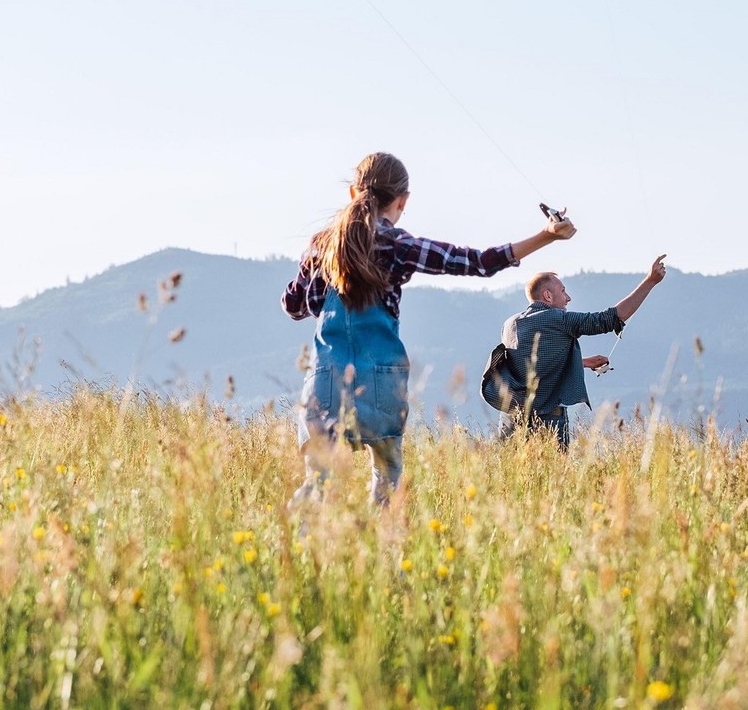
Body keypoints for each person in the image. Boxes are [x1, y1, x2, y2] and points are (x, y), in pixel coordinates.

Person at [281, 152, 575, 506]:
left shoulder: (321, 246)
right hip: (382, 380)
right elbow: (477, 263)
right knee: (387, 482)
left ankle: (298, 549)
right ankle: (381, 553)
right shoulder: (398, 245)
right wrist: (546, 235)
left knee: (318, 483)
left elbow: (295, 307)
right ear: (402, 201)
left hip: (326, 380)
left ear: (353, 193)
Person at [481, 255, 668, 447]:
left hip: (511, 419)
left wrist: (583, 362)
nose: (568, 298)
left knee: (513, 475)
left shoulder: (510, 324)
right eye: (563, 291)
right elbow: (610, 319)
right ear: (547, 296)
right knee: (554, 476)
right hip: (548, 422)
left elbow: (532, 364)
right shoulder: (559, 319)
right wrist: (650, 281)